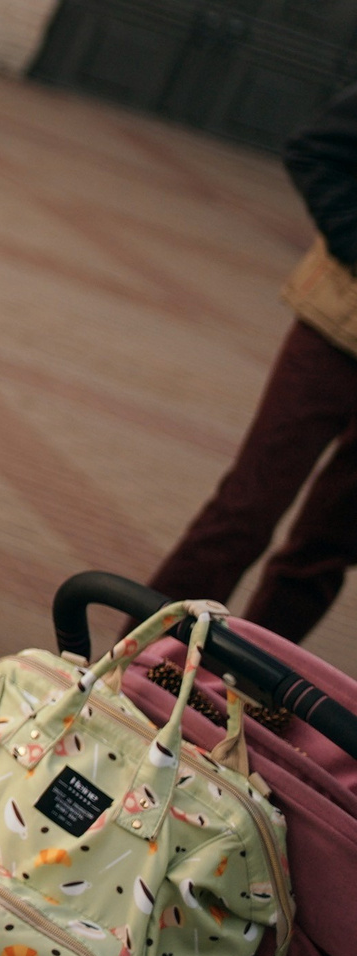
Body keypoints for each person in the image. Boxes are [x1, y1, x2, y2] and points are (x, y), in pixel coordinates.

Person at [149, 81, 357, 640]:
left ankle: (247, 690)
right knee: (245, 509)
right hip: (336, 330)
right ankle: (139, 665)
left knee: (326, 549)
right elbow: (318, 151)